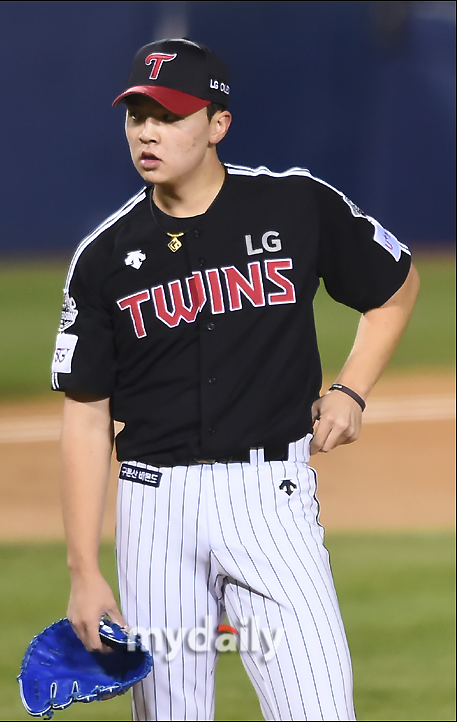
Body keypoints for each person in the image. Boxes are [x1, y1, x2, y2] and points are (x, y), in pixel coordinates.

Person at [51, 38, 419, 721]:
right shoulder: (102, 257)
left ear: (218, 123)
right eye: (137, 115)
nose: (149, 131)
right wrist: (83, 570)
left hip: (270, 500)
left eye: (169, 114)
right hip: (152, 511)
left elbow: (395, 287)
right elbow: (85, 413)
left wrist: (350, 389)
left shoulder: (294, 205)